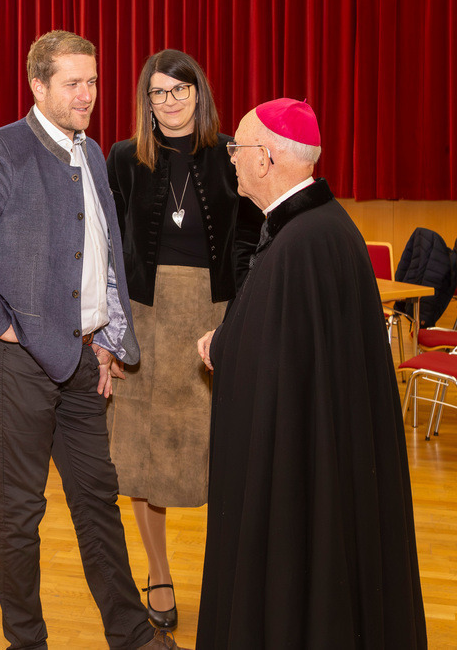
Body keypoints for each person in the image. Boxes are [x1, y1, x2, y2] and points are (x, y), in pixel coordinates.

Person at [0, 30, 179, 650]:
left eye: (93, 82)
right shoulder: (3, 151)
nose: (86, 95)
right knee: (20, 513)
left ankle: (132, 636)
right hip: (19, 365)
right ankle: (27, 642)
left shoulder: (89, 153)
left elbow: (100, 257)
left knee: (97, 503)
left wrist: (106, 336)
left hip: (82, 361)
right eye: (72, 83)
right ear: (38, 86)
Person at [196, 99, 427, 649]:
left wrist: (221, 345)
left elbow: (269, 355)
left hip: (298, 469)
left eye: (238, 148)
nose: (232, 158)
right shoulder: (322, 227)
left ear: (266, 158)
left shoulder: (299, 243)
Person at [105, 50, 262, 629]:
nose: (169, 101)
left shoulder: (231, 155)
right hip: (144, 320)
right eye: (158, 92)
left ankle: (233, 573)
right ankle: (159, 571)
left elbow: (251, 242)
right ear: (146, 101)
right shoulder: (123, 157)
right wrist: (109, 329)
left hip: (213, 317)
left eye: (179, 90)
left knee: (224, 449)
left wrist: (239, 316)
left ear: (200, 93)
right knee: (142, 454)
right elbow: (108, 246)